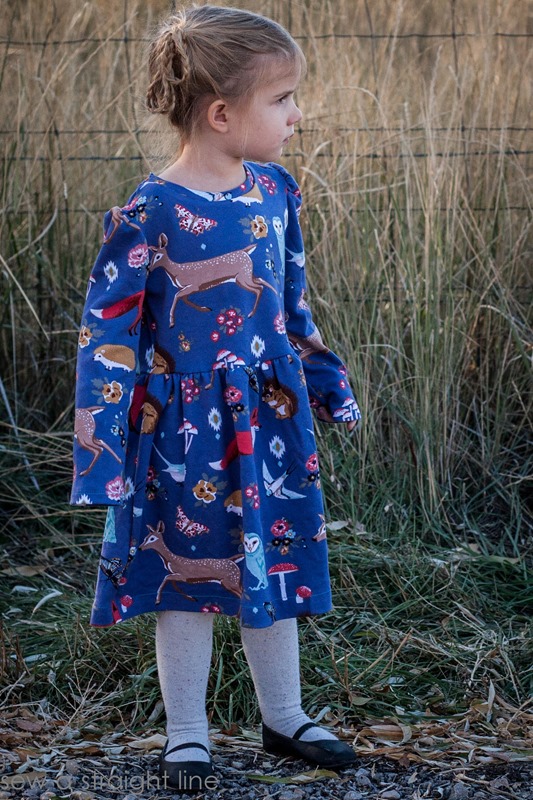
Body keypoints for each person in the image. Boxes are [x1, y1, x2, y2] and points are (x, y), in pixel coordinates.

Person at [71, 4, 361, 792]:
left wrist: (325, 380)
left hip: (267, 419)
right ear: (222, 113)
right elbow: (106, 335)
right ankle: (187, 734)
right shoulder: (151, 212)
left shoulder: (274, 191)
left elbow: (290, 305)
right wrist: (99, 450)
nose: (297, 116)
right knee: (187, 578)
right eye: (282, 99)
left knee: (271, 563)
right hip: (182, 431)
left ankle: (283, 717)